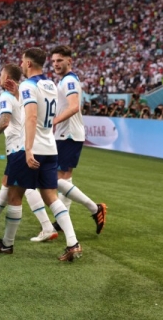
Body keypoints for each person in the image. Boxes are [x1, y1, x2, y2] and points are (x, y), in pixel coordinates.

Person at [0, 48, 82, 261]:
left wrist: (28, 150)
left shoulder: (29, 85)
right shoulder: (51, 85)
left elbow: (30, 117)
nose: (21, 63)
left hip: (31, 147)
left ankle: (7, 244)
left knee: (14, 195)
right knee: (51, 197)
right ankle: (73, 243)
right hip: (50, 146)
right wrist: (19, 92)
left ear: (28, 64)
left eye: (22, 61)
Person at [0, 64, 58, 242]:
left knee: (21, 188)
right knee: (8, 182)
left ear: (6, 77)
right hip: (25, 145)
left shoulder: (7, 95)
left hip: (18, 148)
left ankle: (41, 228)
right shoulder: (22, 94)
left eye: (0, 73)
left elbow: (5, 121)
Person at [51, 45, 107, 234]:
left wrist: (55, 121)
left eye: (59, 60)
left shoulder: (69, 81)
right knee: (64, 179)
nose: (56, 64)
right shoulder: (64, 81)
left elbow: (74, 107)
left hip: (69, 134)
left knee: (57, 179)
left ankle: (94, 208)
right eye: (53, 61)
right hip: (66, 134)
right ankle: (61, 220)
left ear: (69, 61)